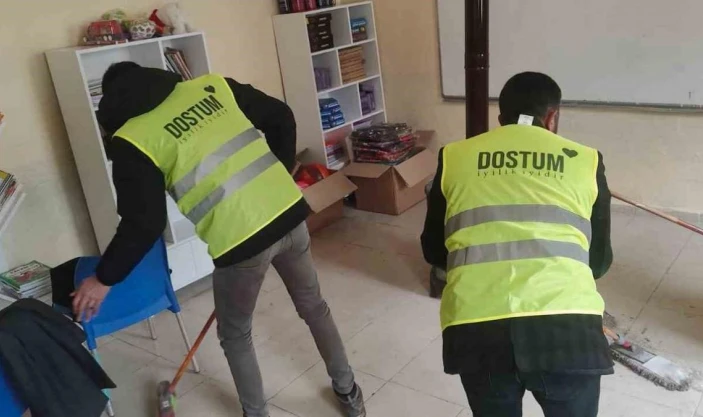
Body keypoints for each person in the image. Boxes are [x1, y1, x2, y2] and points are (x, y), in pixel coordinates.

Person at [80, 61, 365, 417]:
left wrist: (103, 278)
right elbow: (281, 116)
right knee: (313, 306)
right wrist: (278, 175)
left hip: (239, 243)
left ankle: (255, 413)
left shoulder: (132, 139)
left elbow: (144, 223)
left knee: (235, 334)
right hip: (288, 213)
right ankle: (349, 391)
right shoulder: (210, 86)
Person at [421, 72, 614, 417]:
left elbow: (434, 250)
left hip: (476, 331)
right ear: (552, 117)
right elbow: (597, 262)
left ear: (500, 118)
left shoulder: (454, 156)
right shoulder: (586, 160)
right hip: (567, 332)